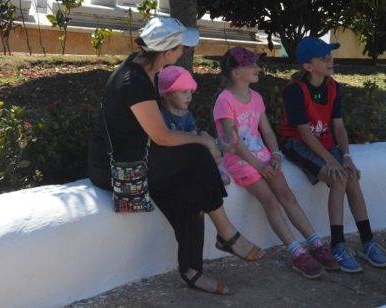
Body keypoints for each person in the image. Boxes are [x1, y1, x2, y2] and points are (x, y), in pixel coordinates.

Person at [87, 16, 264, 296]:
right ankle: (227, 233)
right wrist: (204, 141)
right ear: (167, 52)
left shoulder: (145, 69)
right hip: (118, 168)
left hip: (139, 155)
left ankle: (192, 270)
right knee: (197, 154)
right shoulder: (133, 81)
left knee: (191, 194)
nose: (184, 51)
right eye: (181, 46)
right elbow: (161, 136)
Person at [213, 47, 339, 279]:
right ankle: (297, 251)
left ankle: (315, 242)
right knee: (270, 201)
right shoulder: (225, 101)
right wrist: (258, 165)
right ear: (235, 72)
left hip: (263, 157)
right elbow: (234, 141)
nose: (257, 68)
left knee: (287, 196)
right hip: (240, 161)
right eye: (250, 65)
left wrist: (276, 154)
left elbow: (268, 131)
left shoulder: (257, 98)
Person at [279, 37, 386, 273]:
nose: (330, 61)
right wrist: (330, 161)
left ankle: (367, 240)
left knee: (351, 177)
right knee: (338, 178)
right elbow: (304, 133)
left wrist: (346, 157)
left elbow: (338, 125)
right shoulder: (295, 92)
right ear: (308, 66)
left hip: (324, 143)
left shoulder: (333, 87)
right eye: (323, 58)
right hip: (298, 144)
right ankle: (338, 245)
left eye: (330, 56)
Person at [158, 65, 230, 185]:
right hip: (174, 155)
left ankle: (214, 166)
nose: (189, 97)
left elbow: (192, 129)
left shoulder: (187, 114)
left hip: (189, 146)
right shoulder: (160, 115)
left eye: (190, 92)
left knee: (204, 134)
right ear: (167, 94)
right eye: (184, 92)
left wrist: (194, 134)